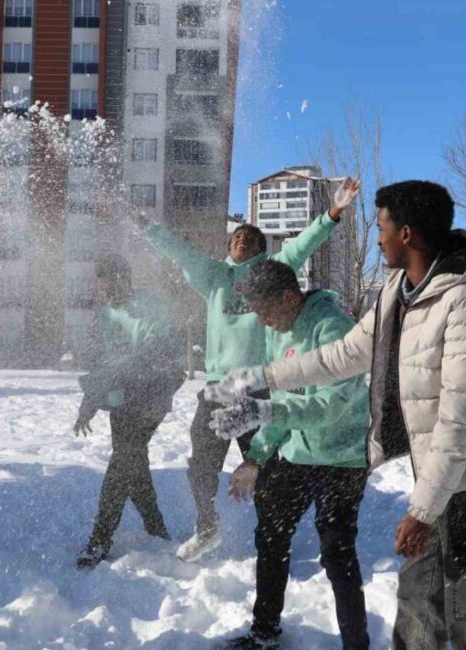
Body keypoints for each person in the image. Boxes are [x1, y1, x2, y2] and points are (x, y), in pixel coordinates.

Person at [208, 181, 466, 649]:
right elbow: (344, 354)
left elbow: (462, 419)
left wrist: (422, 510)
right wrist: (261, 377)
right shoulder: (400, 290)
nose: (376, 239)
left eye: (380, 227)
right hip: (437, 469)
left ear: (406, 233)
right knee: (419, 602)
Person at [134, 178, 361, 562]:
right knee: (200, 463)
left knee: (264, 467)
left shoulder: (274, 271)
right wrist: (147, 227)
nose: (242, 239)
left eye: (250, 237)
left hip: (262, 387)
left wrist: (333, 213)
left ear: (261, 248)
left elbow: (301, 244)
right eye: (237, 236)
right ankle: (206, 527)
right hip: (219, 387)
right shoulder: (214, 278)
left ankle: (271, 532)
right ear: (227, 247)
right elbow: (180, 252)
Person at [206, 260, 371, 650]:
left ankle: (356, 645)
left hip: (341, 458)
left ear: (288, 297)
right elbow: (285, 400)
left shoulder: (333, 328)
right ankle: (264, 634)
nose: (263, 323)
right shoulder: (280, 330)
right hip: (296, 452)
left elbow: (329, 406)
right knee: (271, 535)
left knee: (336, 552)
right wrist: (257, 457)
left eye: (265, 312)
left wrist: (267, 411)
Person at [73, 255, 186, 569]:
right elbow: (100, 361)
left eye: (111, 281)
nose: (105, 289)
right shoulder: (104, 314)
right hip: (121, 396)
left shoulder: (151, 306)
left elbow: (151, 355)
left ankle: (99, 539)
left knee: (123, 460)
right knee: (132, 461)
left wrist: (108, 382)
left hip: (152, 394)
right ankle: (156, 528)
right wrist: (90, 401)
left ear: (125, 278)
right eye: (101, 283)